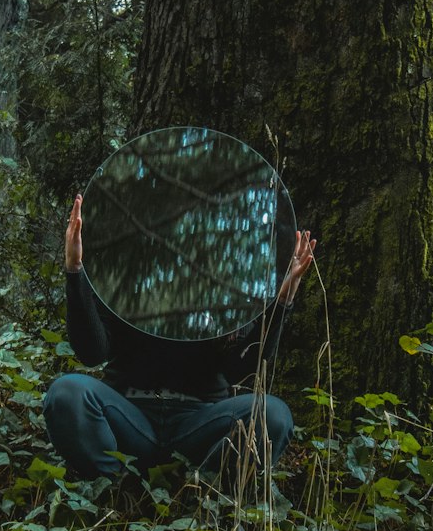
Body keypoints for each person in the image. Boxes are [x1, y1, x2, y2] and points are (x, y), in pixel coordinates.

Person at [43, 192, 316, 482]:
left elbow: (243, 368)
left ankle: (203, 494)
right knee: (67, 393)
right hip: (128, 418)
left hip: (199, 424)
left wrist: (282, 302)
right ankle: (114, 489)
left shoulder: (225, 293)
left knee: (272, 416)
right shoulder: (126, 284)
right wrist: (75, 270)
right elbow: (92, 352)